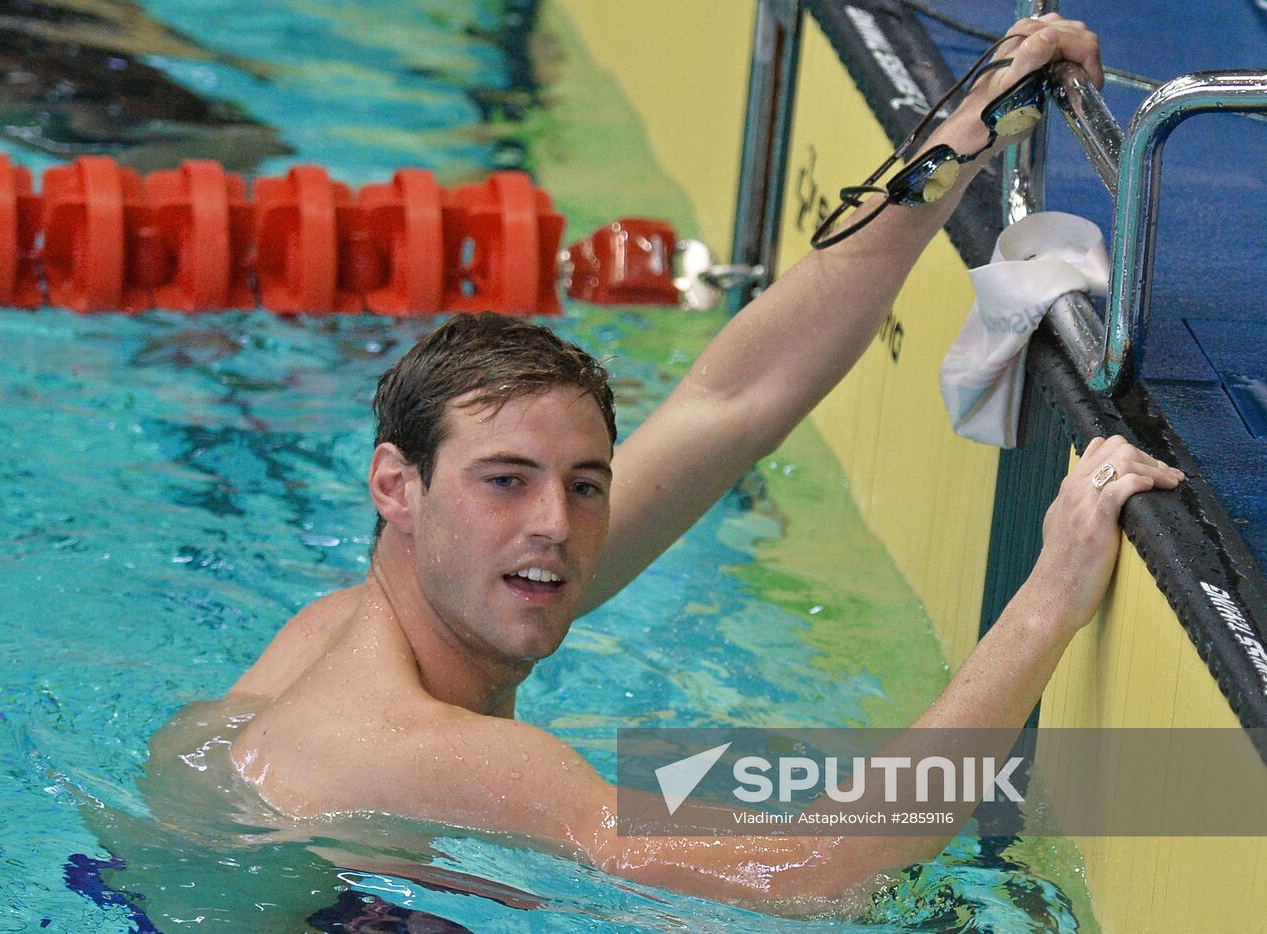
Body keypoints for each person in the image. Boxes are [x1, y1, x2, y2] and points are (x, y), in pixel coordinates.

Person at [199, 13, 1177, 910]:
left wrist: (959, 133)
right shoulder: (425, 747)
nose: (553, 520)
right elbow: (808, 869)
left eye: (586, 484)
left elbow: (732, 401)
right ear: (394, 486)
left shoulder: (436, 587)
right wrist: (1048, 597)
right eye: (504, 479)